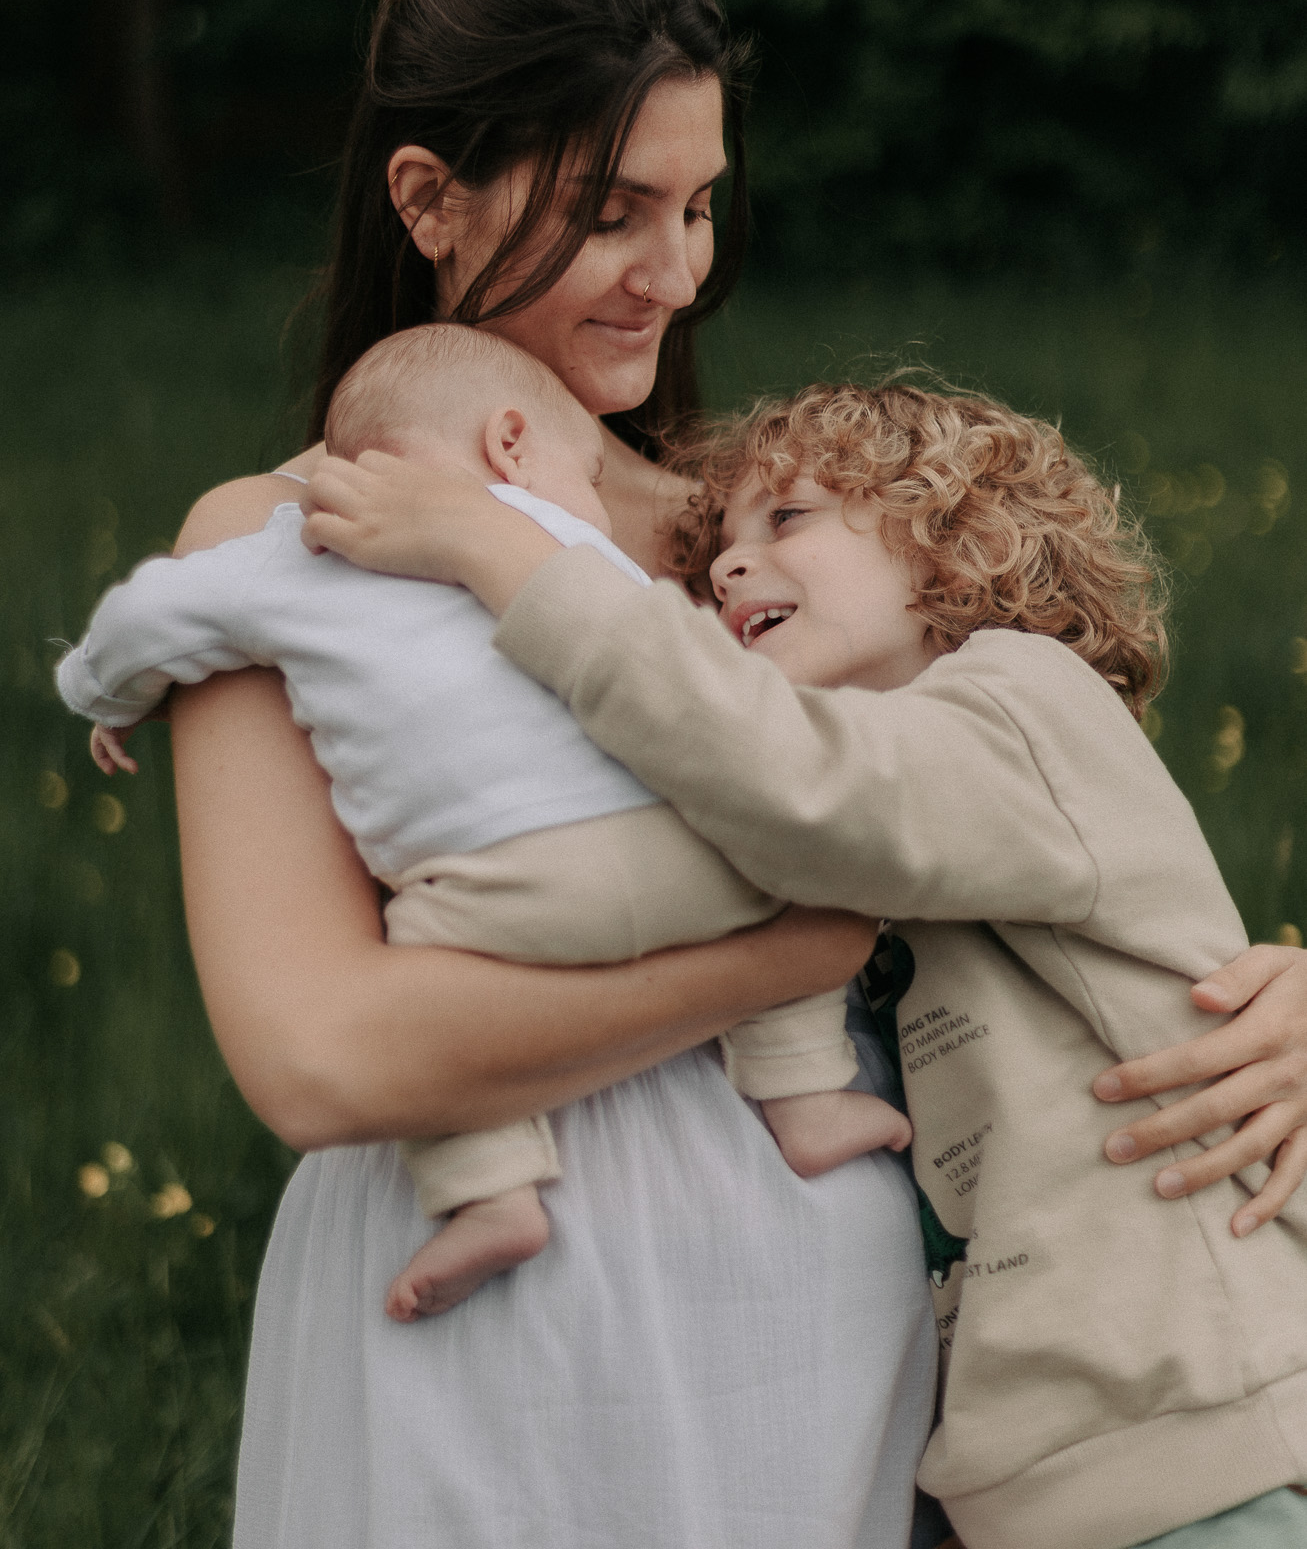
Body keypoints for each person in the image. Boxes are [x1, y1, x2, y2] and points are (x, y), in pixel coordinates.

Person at [154, 0, 1307, 1548]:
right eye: (609, 211)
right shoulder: (279, 545)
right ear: (429, 197)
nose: (677, 272)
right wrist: (793, 947)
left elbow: (1051, 833)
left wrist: (1266, 998)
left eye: (696, 206)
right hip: (490, 1311)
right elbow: (322, 1055)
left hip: (825, 1331)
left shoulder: (747, 531)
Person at [299, 376, 1307, 1549]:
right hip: (1046, 1483)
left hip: (1204, 1449)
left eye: (787, 520)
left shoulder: (1025, 705)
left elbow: (789, 777)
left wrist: (505, 554)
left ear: (955, 540)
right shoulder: (882, 808)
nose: (730, 567)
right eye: (719, 547)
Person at [59, 322, 907, 1325]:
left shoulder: (288, 552)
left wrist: (102, 693)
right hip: (683, 853)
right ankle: (804, 1095)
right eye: (585, 472)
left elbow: (151, 617)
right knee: (786, 861)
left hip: (503, 891)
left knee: (416, 954)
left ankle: (491, 1189)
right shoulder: (581, 552)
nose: (593, 497)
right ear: (510, 444)